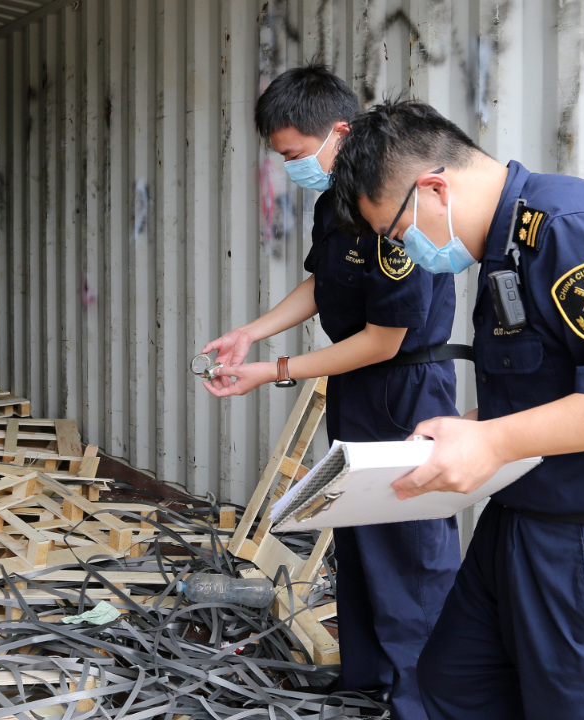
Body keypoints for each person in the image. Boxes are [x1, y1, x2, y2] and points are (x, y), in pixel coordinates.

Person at [328, 98, 584, 720]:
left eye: (398, 233)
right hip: (524, 530)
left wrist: (494, 443)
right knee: (451, 686)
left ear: (435, 188)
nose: (405, 251)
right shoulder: (504, 249)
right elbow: (556, 388)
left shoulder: (568, 226)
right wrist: (475, 428)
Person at [201, 65, 463, 720]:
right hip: (356, 387)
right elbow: (323, 284)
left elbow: (385, 339)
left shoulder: (398, 207)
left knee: (412, 550)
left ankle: (420, 702)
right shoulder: (334, 203)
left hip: (407, 388)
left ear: (338, 132)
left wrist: (276, 371)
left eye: (294, 154)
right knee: (358, 535)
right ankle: (367, 681)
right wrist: (249, 334)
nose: (293, 168)